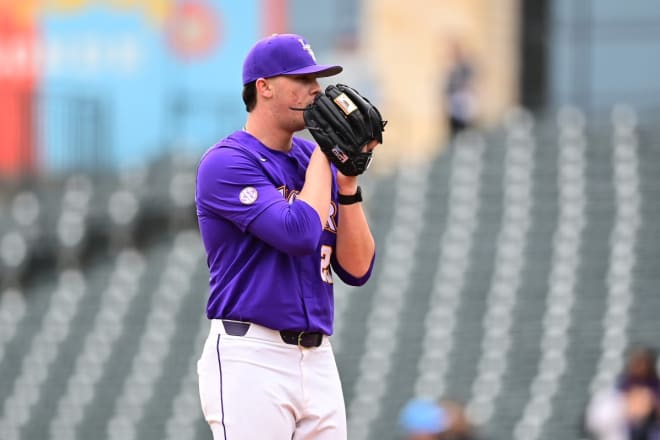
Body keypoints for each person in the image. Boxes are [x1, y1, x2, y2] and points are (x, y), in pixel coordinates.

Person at [194, 33, 379, 440]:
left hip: (317, 359)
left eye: (318, 79)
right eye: (302, 79)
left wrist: (346, 184)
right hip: (252, 356)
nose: (316, 91)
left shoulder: (313, 164)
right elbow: (297, 234)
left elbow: (359, 267)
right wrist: (325, 154)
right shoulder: (227, 163)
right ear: (264, 87)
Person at [584, 345, 660, 440]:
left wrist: (652, 409)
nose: (641, 367)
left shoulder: (656, 391)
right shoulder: (614, 394)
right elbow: (592, 423)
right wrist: (625, 408)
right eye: (637, 362)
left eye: (645, 362)